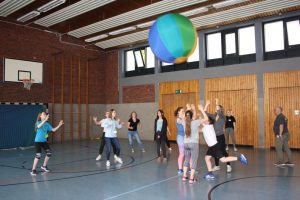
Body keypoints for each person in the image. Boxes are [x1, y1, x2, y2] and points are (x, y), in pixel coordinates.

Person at [198, 104, 248, 180]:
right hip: (212, 146)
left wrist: (201, 109)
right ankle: (210, 173)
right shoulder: (205, 127)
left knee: (223, 159)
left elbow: (205, 118)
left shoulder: (209, 126)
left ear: (208, 122)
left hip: (215, 146)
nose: (203, 120)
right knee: (207, 158)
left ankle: (239, 158)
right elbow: (200, 125)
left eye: (204, 120)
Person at [204, 99, 231, 173]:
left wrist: (217, 103)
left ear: (220, 109)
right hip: (214, 137)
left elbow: (219, 112)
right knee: (215, 151)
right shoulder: (213, 116)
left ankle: (228, 165)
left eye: (218, 108)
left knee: (223, 151)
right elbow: (205, 113)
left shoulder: (223, 117)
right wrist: (206, 104)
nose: (216, 108)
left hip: (221, 137)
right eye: (216, 108)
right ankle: (217, 165)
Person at [181, 108, 201, 184]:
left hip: (185, 143)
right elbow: (206, 119)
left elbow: (183, 117)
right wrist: (201, 110)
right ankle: (191, 178)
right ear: (192, 116)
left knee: (186, 159)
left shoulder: (183, 122)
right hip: (194, 143)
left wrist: (186, 109)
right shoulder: (196, 122)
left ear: (186, 116)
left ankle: (184, 176)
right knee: (194, 160)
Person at [174, 107, 185, 174]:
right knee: (182, 154)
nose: (183, 111)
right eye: (182, 111)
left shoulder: (184, 118)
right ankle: (180, 169)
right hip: (180, 137)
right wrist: (184, 116)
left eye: (184, 111)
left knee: (188, 154)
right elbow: (182, 122)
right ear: (178, 112)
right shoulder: (178, 119)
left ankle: (189, 168)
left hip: (186, 137)